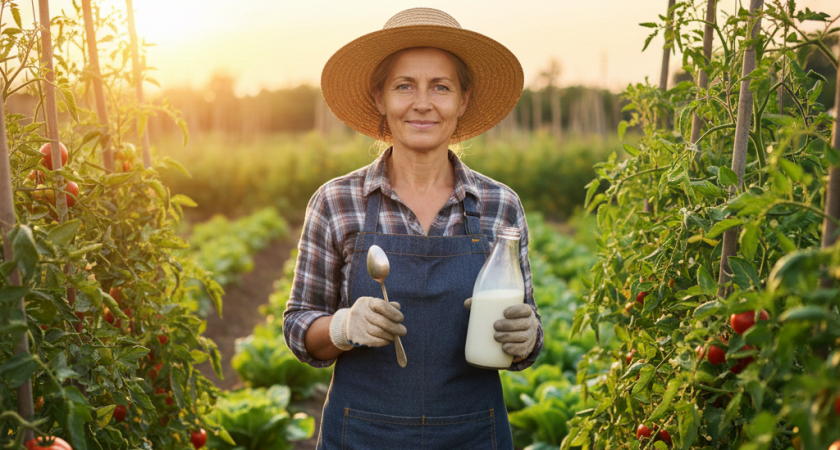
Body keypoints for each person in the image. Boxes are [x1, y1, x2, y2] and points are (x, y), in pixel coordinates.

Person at [283, 7, 543, 449]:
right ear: (380, 98)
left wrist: (528, 335)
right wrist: (344, 326)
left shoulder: (500, 206)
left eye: (440, 87)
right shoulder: (336, 202)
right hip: (361, 434)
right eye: (405, 86)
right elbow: (299, 327)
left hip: (473, 433)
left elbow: (525, 331)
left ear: (462, 101)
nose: (422, 102)